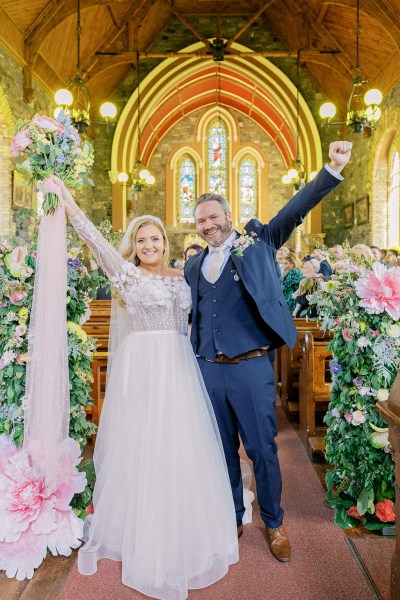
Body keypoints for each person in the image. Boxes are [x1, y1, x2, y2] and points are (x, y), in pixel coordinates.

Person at [55, 180, 238, 600]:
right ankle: (138, 528)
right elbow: (95, 240)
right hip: (144, 367)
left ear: (166, 242)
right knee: (144, 444)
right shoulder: (127, 275)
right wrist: (69, 204)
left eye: (155, 238)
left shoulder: (184, 275)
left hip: (179, 366)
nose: (149, 244)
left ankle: (184, 524)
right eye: (142, 240)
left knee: (181, 444)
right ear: (134, 247)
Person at [184, 140, 352, 563]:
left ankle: (274, 522)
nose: (208, 225)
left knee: (261, 449)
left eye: (214, 217)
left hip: (251, 367)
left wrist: (332, 169)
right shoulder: (192, 266)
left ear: (228, 217)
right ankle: (233, 516)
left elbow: (295, 209)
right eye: (201, 220)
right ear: (196, 225)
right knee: (219, 448)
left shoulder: (258, 242)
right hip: (207, 368)